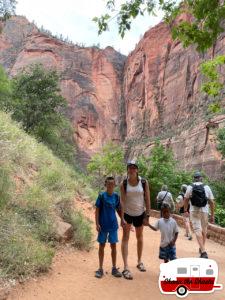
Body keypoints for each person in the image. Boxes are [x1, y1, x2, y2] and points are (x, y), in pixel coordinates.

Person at [120, 160, 151, 280]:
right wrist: (121, 217)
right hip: (127, 214)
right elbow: (122, 201)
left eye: (134, 168)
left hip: (139, 213)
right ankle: (126, 267)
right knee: (125, 238)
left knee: (140, 237)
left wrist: (147, 215)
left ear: (137, 170)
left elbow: (147, 199)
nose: (132, 170)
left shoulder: (143, 182)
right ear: (128, 170)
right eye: (130, 168)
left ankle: (139, 261)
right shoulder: (124, 183)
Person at [95, 176, 122, 278]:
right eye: (108, 184)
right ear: (105, 185)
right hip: (103, 225)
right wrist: (97, 223)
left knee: (113, 246)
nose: (110, 186)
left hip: (113, 225)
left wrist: (123, 220)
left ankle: (114, 268)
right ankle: (100, 268)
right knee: (102, 245)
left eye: (112, 184)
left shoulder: (116, 196)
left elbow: (119, 209)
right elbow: (97, 210)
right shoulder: (102, 196)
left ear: (114, 185)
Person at [184, 171, 215, 259]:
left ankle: (203, 250)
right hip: (205, 211)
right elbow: (212, 202)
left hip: (194, 211)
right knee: (204, 230)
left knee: (197, 229)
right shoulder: (207, 187)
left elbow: (186, 199)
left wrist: (186, 210)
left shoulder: (190, 187)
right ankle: (202, 249)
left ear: (194, 178)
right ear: (201, 178)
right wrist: (212, 215)